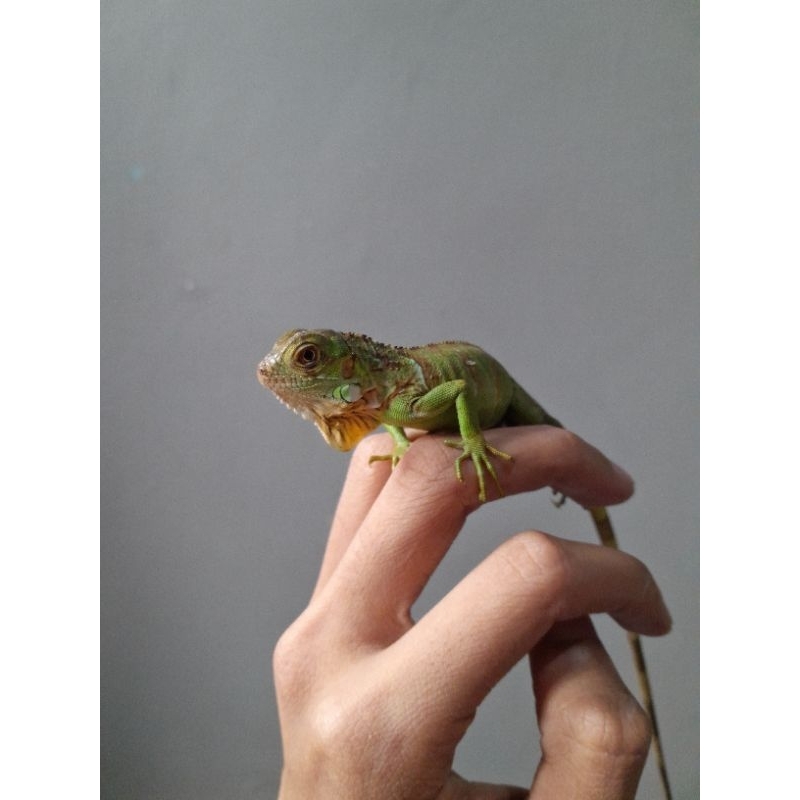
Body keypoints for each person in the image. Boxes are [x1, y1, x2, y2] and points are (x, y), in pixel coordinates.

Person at [272, 425, 672, 799]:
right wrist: (399, 443)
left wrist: (473, 442)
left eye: (308, 359)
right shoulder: (392, 413)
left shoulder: (408, 391)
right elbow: (398, 424)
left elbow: (457, 391)